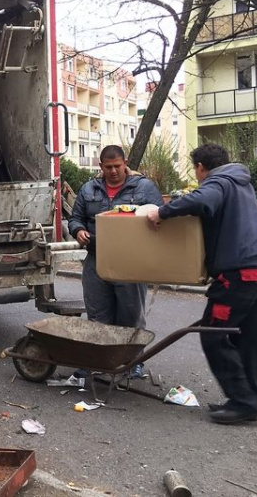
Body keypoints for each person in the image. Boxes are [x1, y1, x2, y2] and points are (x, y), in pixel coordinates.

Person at [146, 143, 257, 424]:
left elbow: (201, 200)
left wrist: (161, 213)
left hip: (237, 276)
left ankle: (245, 401)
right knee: (249, 339)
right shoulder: (241, 183)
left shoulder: (219, 182)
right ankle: (248, 400)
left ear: (200, 167)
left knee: (212, 333)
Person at [68, 145, 163, 379]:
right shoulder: (88, 189)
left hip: (130, 261)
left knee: (130, 315)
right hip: (97, 259)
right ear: (100, 167)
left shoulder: (144, 188)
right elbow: (75, 219)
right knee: (98, 315)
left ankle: (133, 362)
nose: (113, 171)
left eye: (117, 166)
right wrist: (78, 230)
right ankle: (99, 359)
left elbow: (162, 217)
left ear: (125, 163)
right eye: (108, 167)